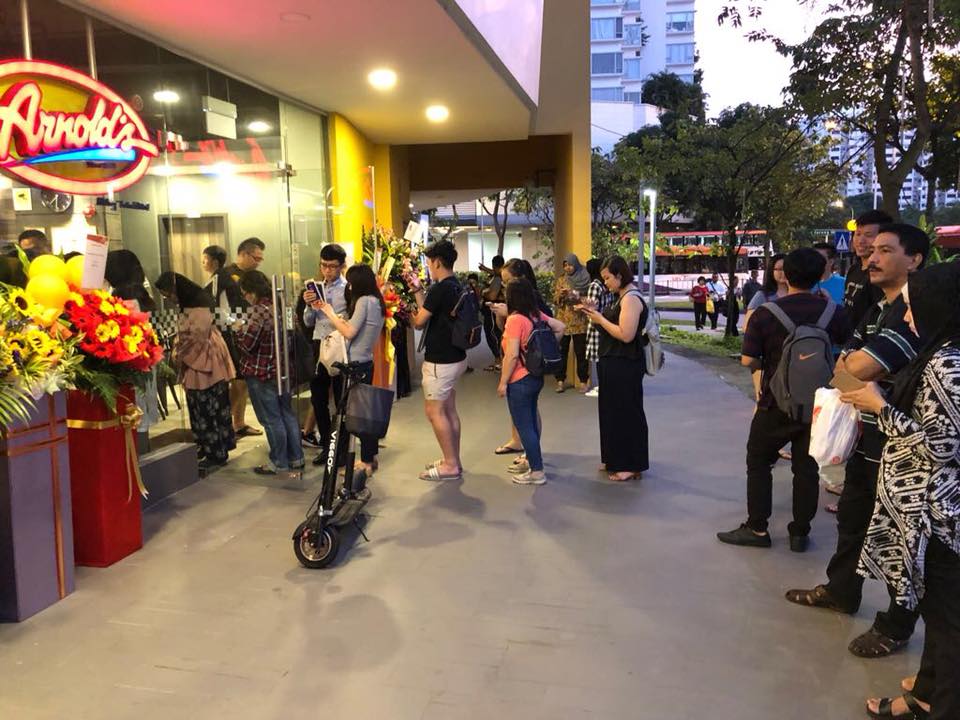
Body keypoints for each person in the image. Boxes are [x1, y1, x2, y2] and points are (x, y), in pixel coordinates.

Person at [785, 224, 929, 657]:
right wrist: (858, 366)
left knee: (903, 541)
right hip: (869, 440)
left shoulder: (919, 313)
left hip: (905, 447)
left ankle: (896, 624)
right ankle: (842, 590)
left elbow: (861, 368)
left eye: (885, 249)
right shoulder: (879, 308)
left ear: (916, 259)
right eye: (870, 248)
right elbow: (842, 366)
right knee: (853, 518)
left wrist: (859, 366)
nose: (870, 256)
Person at [839, 261, 960, 720]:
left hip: (939, 518)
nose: (907, 319)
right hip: (931, 512)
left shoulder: (949, 362)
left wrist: (878, 406)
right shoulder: (942, 351)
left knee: (950, 626)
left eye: (912, 309)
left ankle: (940, 701)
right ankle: (927, 690)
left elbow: (941, 446)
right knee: (942, 619)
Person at [717, 248, 851, 551]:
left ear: (784, 274)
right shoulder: (835, 312)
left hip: (775, 404)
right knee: (807, 469)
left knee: (759, 461)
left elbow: (748, 359)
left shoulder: (766, 313)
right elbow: (847, 352)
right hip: (820, 406)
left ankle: (757, 528)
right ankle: (800, 532)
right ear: (820, 276)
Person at [155, 273, 236, 477]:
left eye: (167, 294)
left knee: (207, 409)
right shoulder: (196, 303)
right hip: (204, 362)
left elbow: (194, 340)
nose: (168, 298)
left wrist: (176, 352)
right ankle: (210, 448)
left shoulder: (197, 308)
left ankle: (214, 451)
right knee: (207, 408)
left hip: (204, 365)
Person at [311, 264, 386, 477]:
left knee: (355, 416)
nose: (350, 287)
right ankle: (368, 459)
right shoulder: (376, 301)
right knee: (362, 414)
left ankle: (365, 462)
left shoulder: (364, 301)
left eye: (351, 283)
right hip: (365, 362)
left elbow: (349, 332)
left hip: (355, 365)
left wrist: (330, 312)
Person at [580, 255, 649, 482]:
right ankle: (615, 458)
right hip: (614, 362)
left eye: (608, 278)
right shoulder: (620, 296)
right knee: (612, 413)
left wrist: (600, 319)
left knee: (625, 413)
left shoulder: (630, 299)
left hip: (625, 364)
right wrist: (595, 312)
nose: (606, 283)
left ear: (620, 275)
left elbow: (626, 334)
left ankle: (630, 463)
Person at [404, 240, 468, 482]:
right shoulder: (454, 285)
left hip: (440, 361)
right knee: (449, 410)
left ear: (437, 261)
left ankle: (451, 464)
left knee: (434, 411)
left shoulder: (441, 289)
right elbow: (430, 312)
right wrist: (419, 291)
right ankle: (453, 459)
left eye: (430, 262)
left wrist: (405, 310)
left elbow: (420, 321)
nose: (429, 266)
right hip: (455, 356)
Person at [234, 270, 304, 476]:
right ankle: (296, 458)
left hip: (262, 372)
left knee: (271, 418)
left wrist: (238, 329)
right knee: (287, 414)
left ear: (252, 292)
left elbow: (248, 344)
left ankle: (278, 462)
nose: (246, 297)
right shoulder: (283, 307)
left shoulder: (258, 312)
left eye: (245, 293)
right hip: (284, 371)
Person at [497, 278, 566, 485]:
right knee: (531, 423)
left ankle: (536, 471)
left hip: (519, 379)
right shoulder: (536, 315)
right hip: (535, 377)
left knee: (524, 425)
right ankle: (535, 464)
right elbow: (560, 327)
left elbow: (511, 355)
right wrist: (544, 350)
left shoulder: (515, 320)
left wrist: (503, 382)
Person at [303, 244, 349, 461]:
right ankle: (325, 445)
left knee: (341, 398)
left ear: (342, 266)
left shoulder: (347, 289)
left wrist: (330, 312)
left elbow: (349, 321)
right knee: (318, 397)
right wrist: (310, 307)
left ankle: (341, 448)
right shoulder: (315, 288)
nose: (328, 271)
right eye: (324, 266)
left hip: (339, 346)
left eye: (332, 266)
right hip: (318, 344)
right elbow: (307, 322)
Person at [224, 237, 266, 438]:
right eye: (256, 258)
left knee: (244, 381)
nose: (258, 262)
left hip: (251, 330)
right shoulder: (228, 276)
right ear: (244, 254)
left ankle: (238, 423)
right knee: (238, 380)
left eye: (260, 259)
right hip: (234, 332)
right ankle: (227, 423)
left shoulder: (254, 276)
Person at [744, 254, 788, 402]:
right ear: (771, 271)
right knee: (763, 398)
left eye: (787, 269)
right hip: (766, 357)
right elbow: (747, 325)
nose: (783, 273)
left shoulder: (796, 293)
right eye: (779, 269)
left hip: (790, 356)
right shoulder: (763, 296)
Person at [843, 210, 894, 331]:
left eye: (868, 235)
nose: (860, 241)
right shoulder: (854, 269)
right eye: (858, 234)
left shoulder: (881, 275)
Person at [553, 253, 591, 393]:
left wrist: (574, 295)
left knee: (580, 353)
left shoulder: (585, 278)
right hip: (563, 322)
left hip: (580, 321)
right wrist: (561, 296)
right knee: (562, 351)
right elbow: (555, 300)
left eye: (570, 265)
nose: (567, 268)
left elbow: (589, 298)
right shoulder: (562, 280)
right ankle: (560, 381)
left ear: (575, 264)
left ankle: (583, 382)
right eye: (565, 265)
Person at [584, 258, 613, 397]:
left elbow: (591, 306)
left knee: (598, 359)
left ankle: (600, 386)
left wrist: (583, 306)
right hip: (606, 324)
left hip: (597, 325)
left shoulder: (594, 285)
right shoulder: (605, 285)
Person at [201, 245, 244, 318]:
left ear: (215, 262)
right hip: (229, 319)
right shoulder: (223, 276)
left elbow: (210, 302)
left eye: (205, 258)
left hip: (225, 321)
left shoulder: (219, 278)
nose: (203, 261)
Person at [480, 256, 505, 372]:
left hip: (493, 311)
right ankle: (498, 360)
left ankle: (499, 360)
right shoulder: (499, 276)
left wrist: (483, 292)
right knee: (495, 335)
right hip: (495, 311)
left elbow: (492, 296)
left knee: (493, 335)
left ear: (495, 266)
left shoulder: (498, 278)